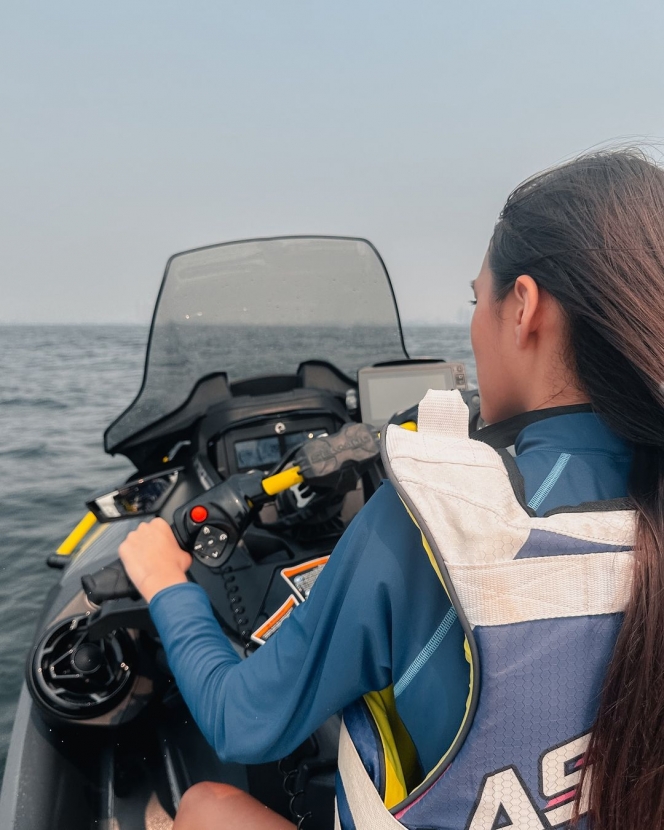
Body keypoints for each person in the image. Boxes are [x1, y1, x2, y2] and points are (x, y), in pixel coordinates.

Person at [119, 148, 664, 830]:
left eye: (477, 299)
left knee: (200, 807)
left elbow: (241, 721)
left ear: (523, 308)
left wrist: (165, 584)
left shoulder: (432, 522)